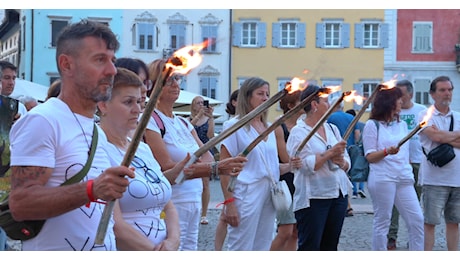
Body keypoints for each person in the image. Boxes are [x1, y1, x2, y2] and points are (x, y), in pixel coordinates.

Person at [8, 20, 135, 250]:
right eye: (100, 60)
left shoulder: (96, 129)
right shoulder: (43, 120)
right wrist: (91, 189)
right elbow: (21, 204)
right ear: (66, 65)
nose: (112, 70)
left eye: (112, 61)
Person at [143, 58, 247, 251]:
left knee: (191, 249)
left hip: (193, 200)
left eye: (177, 79)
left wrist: (212, 164)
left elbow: (207, 156)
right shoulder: (149, 120)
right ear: (154, 85)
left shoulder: (183, 123)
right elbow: (167, 167)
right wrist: (215, 167)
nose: (176, 84)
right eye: (169, 80)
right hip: (171, 204)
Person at [97, 67, 187, 250]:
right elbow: (113, 222)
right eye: (128, 102)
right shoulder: (97, 150)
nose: (137, 109)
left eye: (139, 102)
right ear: (103, 105)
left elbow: (168, 205)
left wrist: (173, 240)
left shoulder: (143, 149)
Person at [220, 77, 301, 251]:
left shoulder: (271, 128)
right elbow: (224, 169)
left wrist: (290, 166)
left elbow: (271, 167)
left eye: (267, 94)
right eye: (260, 94)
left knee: (263, 245)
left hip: (269, 192)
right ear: (247, 97)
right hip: (245, 192)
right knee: (241, 245)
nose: (265, 98)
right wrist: (229, 203)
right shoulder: (233, 126)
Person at [286, 85, 352, 251]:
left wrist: (341, 162)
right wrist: (329, 154)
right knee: (310, 246)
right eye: (325, 101)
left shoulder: (332, 129)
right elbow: (305, 166)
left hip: (338, 194)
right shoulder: (298, 132)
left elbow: (346, 161)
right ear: (314, 105)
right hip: (314, 197)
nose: (329, 105)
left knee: (330, 247)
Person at [362, 86, 424, 251]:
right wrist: (386, 152)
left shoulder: (402, 124)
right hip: (383, 177)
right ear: (388, 103)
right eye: (398, 99)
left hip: (404, 178)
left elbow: (405, 153)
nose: (401, 102)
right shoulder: (372, 125)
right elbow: (370, 157)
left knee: (416, 219)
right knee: (383, 221)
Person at [418, 75, 460, 251]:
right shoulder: (425, 115)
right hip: (433, 180)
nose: (447, 94)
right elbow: (434, 136)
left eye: (449, 90)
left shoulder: (457, 116)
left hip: (457, 179)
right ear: (433, 94)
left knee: (454, 223)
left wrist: (443, 137)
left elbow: (438, 136)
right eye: (442, 90)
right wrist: (453, 136)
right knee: (430, 223)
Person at [386, 79, 426, 250]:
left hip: (418, 161)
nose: (399, 99)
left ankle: (414, 238)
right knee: (394, 202)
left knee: (414, 204)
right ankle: (391, 236)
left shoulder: (421, 111)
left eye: (401, 94)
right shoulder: (393, 112)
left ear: (410, 94)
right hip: (397, 163)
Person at [270, 89, 303, 251]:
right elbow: (284, 157)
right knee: (285, 230)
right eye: (301, 101)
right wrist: (308, 161)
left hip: (300, 180)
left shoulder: (303, 125)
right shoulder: (279, 125)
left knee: (295, 232)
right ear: (290, 106)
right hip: (285, 181)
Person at [327, 99, 363, 219]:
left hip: (337, 149)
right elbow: (357, 133)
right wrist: (355, 144)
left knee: (342, 176)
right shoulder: (350, 117)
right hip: (350, 147)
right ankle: (349, 203)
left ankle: (347, 205)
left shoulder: (331, 117)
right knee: (349, 173)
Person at [214, 89, 238, 251]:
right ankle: (217, 250)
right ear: (235, 102)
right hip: (235, 177)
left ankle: (217, 250)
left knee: (224, 217)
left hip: (237, 173)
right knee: (225, 217)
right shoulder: (230, 124)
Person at [189, 95, 215, 225]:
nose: (201, 105)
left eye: (202, 103)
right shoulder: (187, 120)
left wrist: (211, 118)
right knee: (192, 182)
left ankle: (204, 214)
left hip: (205, 150)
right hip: (191, 151)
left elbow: (210, 135)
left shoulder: (208, 119)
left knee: (205, 184)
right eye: (198, 103)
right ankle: (193, 210)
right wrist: (198, 116)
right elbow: (186, 130)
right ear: (193, 105)